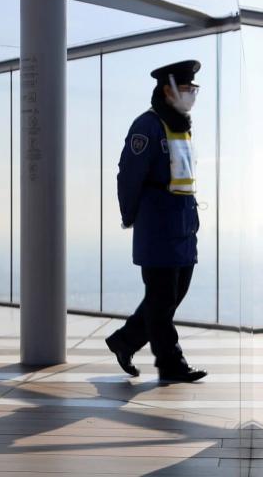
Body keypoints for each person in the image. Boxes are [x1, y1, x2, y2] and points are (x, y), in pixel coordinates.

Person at [105, 59, 207, 383]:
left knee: (169, 297)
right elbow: (129, 175)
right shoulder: (147, 126)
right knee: (162, 301)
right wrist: (129, 214)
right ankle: (171, 364)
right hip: (158, 228)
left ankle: (124, 341)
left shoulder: (180, 126)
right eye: (187, 89)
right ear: (168, 90)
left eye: (193, 89)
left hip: (183, 229)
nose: (191, 94)